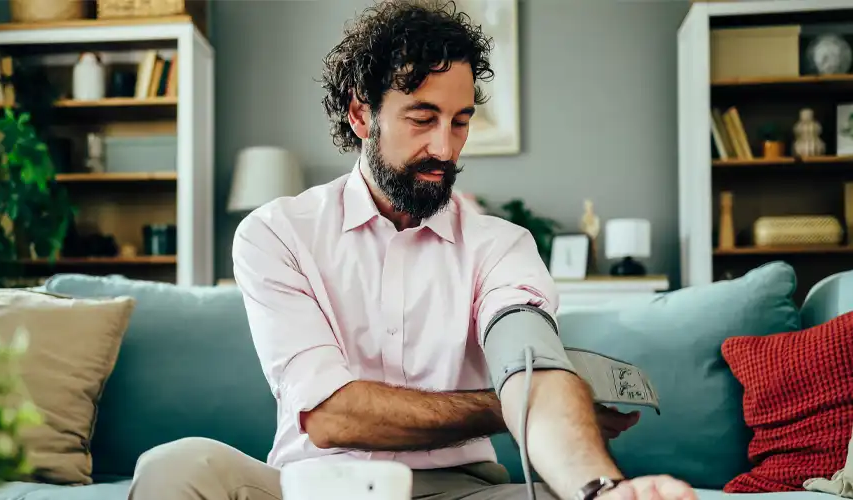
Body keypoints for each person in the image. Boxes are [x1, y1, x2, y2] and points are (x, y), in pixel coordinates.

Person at [128, 2, 697, 500]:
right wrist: (509, 406)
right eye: (423, 118)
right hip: (314, 487)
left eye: (461, 122)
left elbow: (532, 367)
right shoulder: (276, 233)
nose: (444, 147)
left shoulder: (501, 247)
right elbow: (331, 417)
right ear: (360, 114)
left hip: (462, 489)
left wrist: (604, 489)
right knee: (175, 469)